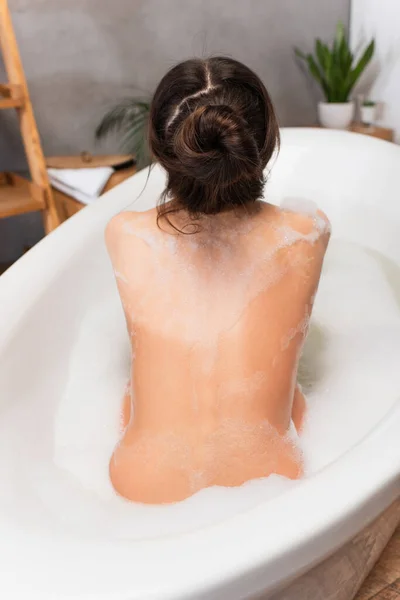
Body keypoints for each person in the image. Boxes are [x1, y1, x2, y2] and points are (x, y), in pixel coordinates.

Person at [105, 57, 330, 504]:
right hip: (270, 481)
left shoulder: (125, 234)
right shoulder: (307, 234)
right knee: (295, 402)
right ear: (264, 145)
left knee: (132, 395)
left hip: (140, 487)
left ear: (162, 149)